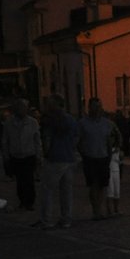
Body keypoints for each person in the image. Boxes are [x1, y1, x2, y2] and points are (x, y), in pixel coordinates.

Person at [37, 95, 79, 229]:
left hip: (55, 158)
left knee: (48, 189)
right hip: (69, 157)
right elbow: (76, 138)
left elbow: (47, 139)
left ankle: (47, 219)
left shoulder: (50, 120)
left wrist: (46, 153)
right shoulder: (71, 120)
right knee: (66, 190)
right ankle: (66, 218)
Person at [78, 98, 118, 220]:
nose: (97, 109)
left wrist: (111, 153)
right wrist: (83, 152)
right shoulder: (83, 123)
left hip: (103, 156)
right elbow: (78, 140)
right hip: (90, 156)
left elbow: (110, 139)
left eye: (99, 106)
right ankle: (96, 210)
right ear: (89, 108)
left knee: (101, 185)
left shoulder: (106, 123)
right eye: (94, 106)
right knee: (93, 184)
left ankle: (98, 208)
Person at [1, 98, 40, 211]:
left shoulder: (32, 122)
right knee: (20, 180)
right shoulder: (9, 123)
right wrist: (6, 156)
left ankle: (29, 201)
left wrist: (38, 155)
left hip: (29, 154)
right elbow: (5, 141)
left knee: (29, 179)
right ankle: (23, 201)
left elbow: (37, 140)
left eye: (24, 108)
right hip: (16, 155)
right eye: (20, 108)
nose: (22, 110)